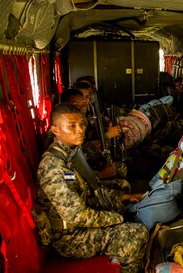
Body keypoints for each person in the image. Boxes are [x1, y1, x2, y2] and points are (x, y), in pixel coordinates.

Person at [37, 103, 148, 272]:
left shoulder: (70, 153)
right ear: (55, 130)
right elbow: (78, 216)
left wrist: (122, 199)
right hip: (70, 238)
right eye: (71, 126)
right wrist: (115, 219)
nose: (80, 130)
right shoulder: (54, 167)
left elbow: (89, 190)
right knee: (136, 233)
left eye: (81, 124)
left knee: (125, 202)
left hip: (80, 225)